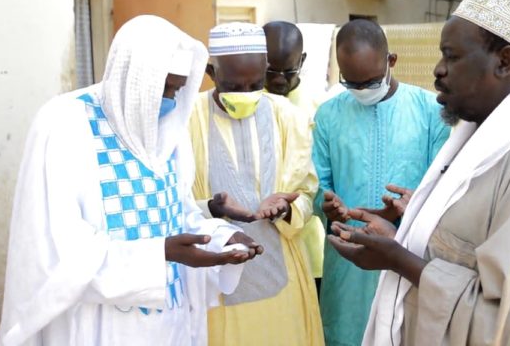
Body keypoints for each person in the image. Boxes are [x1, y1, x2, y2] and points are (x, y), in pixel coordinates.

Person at [329, 0, 510, 345]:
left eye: (452, 56)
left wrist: (399, 259)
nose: (438, 70)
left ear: (505, 61)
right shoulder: (483, 134)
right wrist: (412, 228)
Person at [0, 15, 263, 346]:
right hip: (99, 326)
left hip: (171, 320)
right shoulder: (65, 124)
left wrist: (221, 238)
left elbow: (176, 212)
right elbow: (54, 247)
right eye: (164, 88)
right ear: (133, 79)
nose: (171, 101)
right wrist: (160, 254)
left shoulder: (170, 130)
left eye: (178, 89)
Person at [312, 19, 450, 346]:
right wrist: (327, 204)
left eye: (370, 81)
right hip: (347, 258)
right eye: (352, 84)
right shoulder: (329, 114)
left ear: (392, 61)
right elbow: (317, 182)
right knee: (345, 335)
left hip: (408, 251)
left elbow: (443, 187)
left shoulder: (432, 111)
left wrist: (403, 210)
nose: (362, 90)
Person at [188, 22, 323, 346]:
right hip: (213, 279)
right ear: (211, 72)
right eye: (235, 85)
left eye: (255, 84)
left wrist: (287, 209)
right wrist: (209, 208)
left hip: (282, 279)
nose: (246, 94)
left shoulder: (289, 117)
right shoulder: (186, 120)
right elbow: (170, 202)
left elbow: (307, 192)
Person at [263, 21, 327, 291]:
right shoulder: (246, 107)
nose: (279, 79)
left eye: (288, 71)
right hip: (259, 249)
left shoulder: (322, 110)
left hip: (308, 248)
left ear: (302, 60)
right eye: (270, 70)